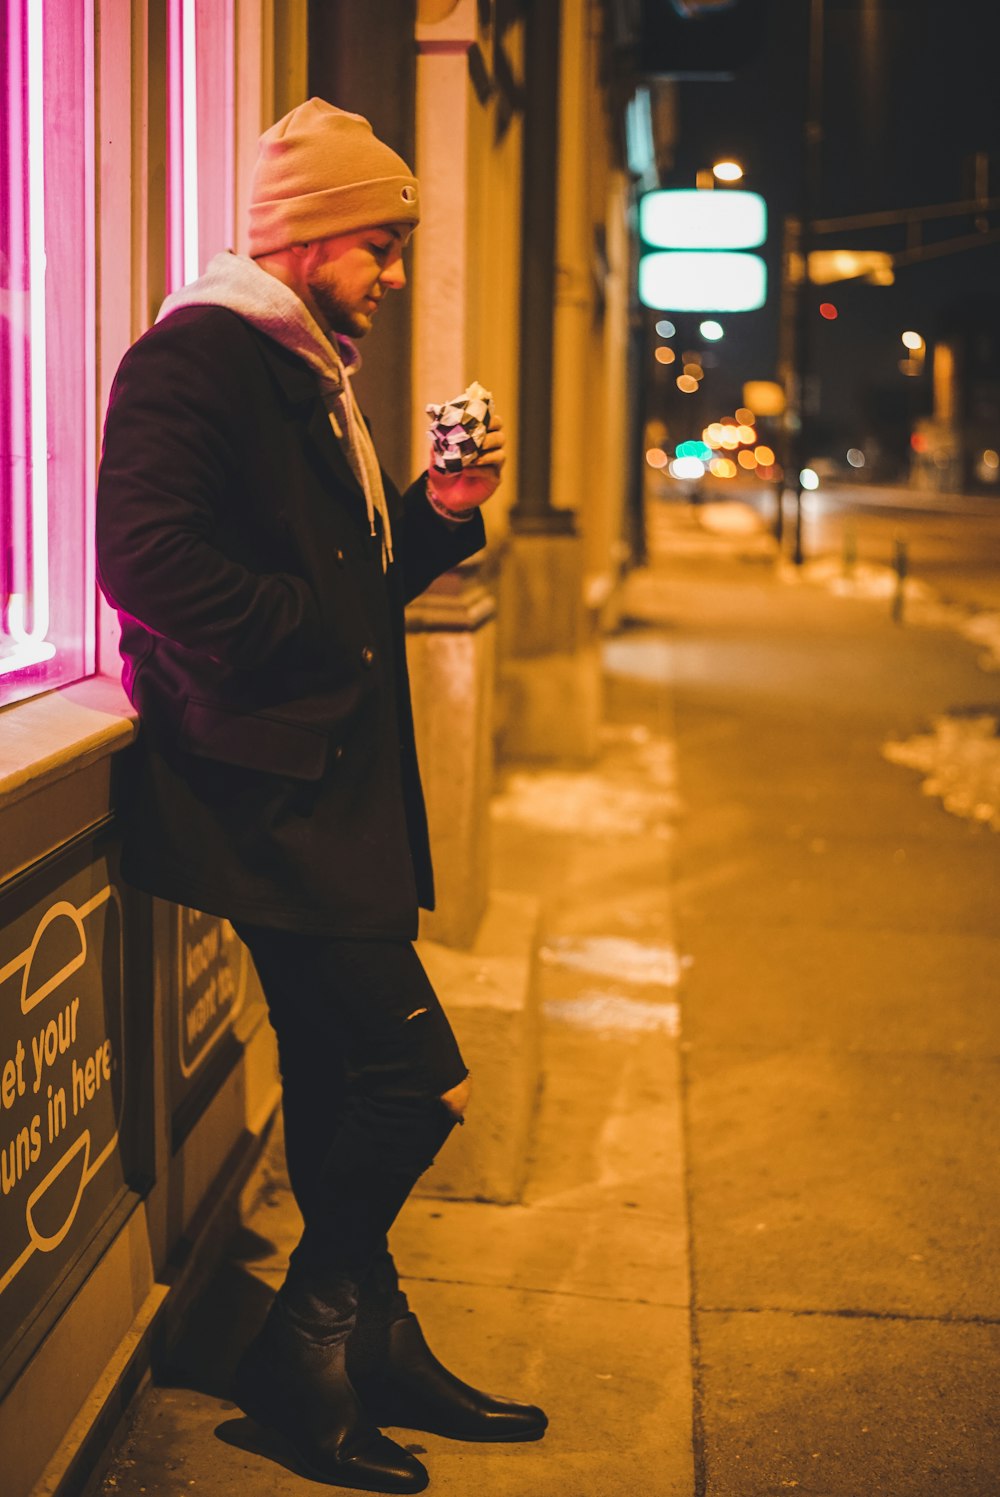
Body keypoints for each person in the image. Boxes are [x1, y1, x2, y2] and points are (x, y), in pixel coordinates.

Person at [96, 98, 546, 1495]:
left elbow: (350, 589)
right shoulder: (197, 360)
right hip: (271, 800)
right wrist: (308, 624)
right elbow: (145, 562)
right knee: (417, 1084)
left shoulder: (306, 365)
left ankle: (378, 1338)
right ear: (303, 239)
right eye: (381, 245)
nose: (396, 275)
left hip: (327, 797)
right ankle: (307, 1345)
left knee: (340, 1069)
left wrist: (436, 510)